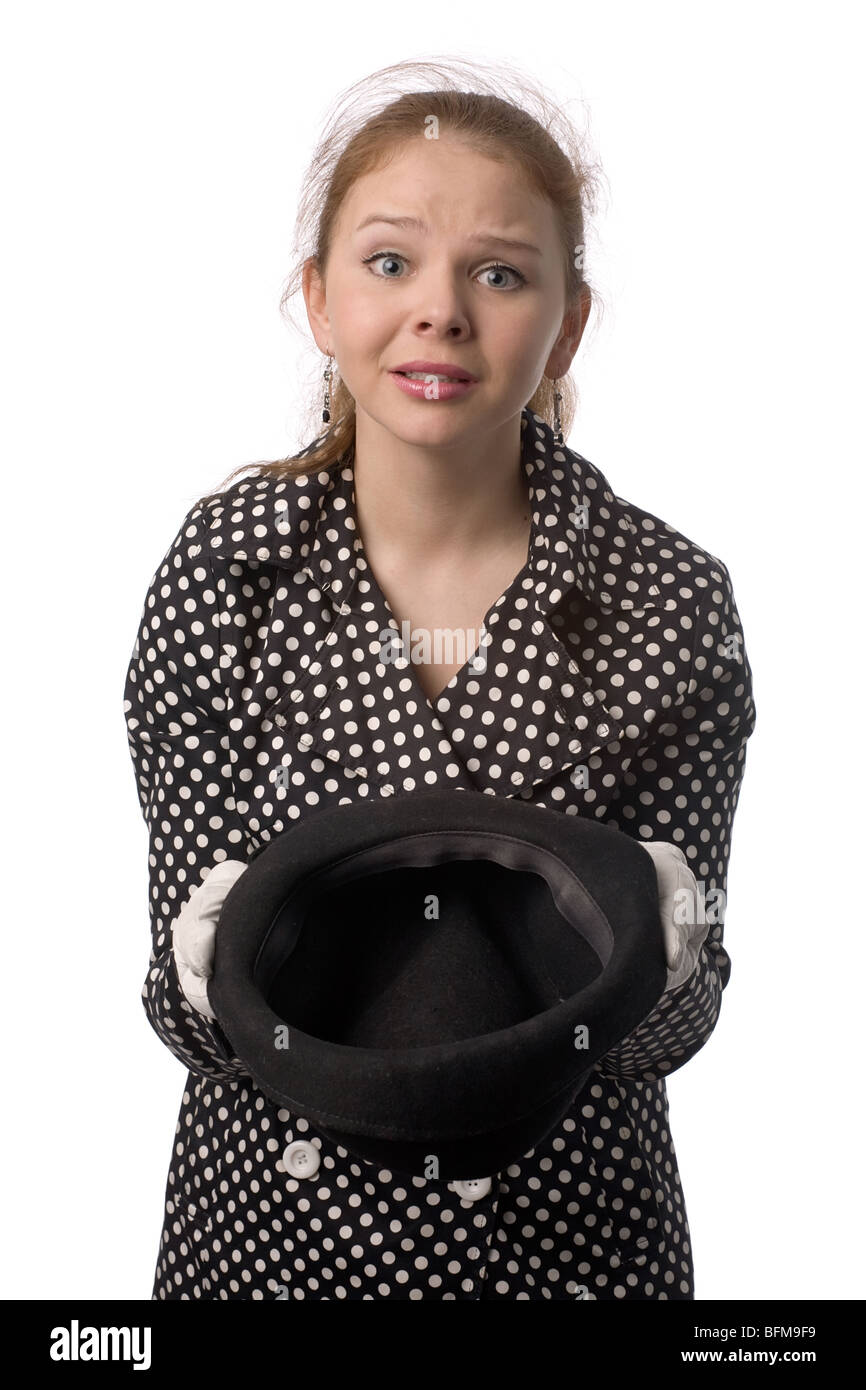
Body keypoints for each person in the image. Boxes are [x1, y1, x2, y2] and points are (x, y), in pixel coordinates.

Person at [123, 61, 756, 1301]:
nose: (440, 314)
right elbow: (181, 1013)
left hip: (568, 1249)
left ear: (567, 319)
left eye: (501, 272)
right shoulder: (223, 572)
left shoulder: (670, 600)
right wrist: (203, 967)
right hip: (269, 1246)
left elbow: (676, 1032)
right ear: (317, 299)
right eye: (389, 261)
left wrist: (668, 953)